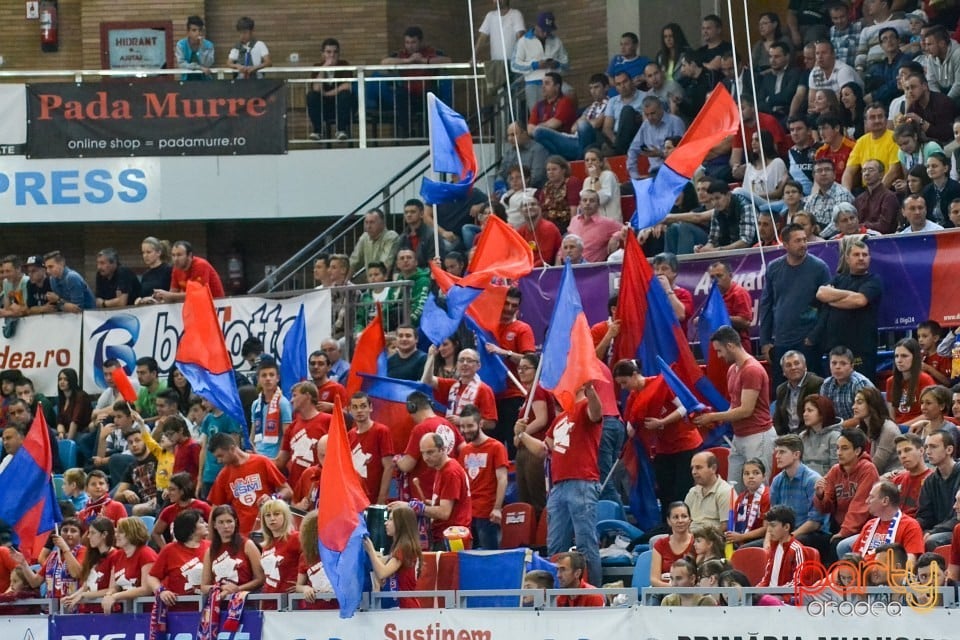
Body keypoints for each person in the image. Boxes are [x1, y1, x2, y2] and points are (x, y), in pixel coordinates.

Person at [516, 382, 603, 586]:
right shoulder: (559, 418)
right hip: (559, 486)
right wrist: (522, 434)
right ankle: (557, 594)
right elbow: (542, 450)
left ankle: (595, 593)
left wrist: (591, 392)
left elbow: (597, 413)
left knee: (585, 542)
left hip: (582, 480)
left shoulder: (584, 408)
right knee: (555, 545)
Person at [614, 359, 702, 520]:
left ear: (635, 375)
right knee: (664, 491)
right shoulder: (634, 397)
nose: (623, 387)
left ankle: (685, 525)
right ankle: (666, 527)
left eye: (624, 382)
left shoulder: (661, 384)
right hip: (663, 447)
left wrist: (662, 422)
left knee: (681, 490)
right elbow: (630, 427)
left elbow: (684, 407)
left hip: (684, 443)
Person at [695, 326, 776, 488]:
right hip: (739, 436)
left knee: (758, 489)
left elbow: (746, 410)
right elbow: (734, 405)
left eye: (720, 351)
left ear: (730, 346)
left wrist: (714, 417)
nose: (719, 356)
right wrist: (718, 419)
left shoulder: (751, 370)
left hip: (757, 436)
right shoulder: (732, 369)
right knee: (733, 488)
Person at [812, 237, 884, 382]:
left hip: (862, 348)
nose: (861, 258)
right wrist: (848, 295)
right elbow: (821, 293)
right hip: (836, 347)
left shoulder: (873, 280)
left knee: (863, 391)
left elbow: (859, 300)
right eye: (856, 255)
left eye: (864, 255)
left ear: (869, 258)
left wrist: (832, 300)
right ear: (847, 258)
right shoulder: (838, 279)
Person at [205, 432, 292, 535]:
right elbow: (215, 510)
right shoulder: (223, 475)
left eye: (220, 456)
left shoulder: (262, 462)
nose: (219, 461)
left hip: (270, 530)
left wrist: (273, 497)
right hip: (242, 535)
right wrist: (209, 541)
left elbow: (288, 491)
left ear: (232, 449)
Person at [814, 428, 881, 562]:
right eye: (837, 448)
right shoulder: (835, 470)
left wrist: (843, 533)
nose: (839, 453)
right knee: (810, 541)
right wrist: (820, 496)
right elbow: (826, 508)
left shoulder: (868, 469)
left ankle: (834, 581)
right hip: (840, 526)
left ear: (857, 451)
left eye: (844, 448)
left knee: (836, 544)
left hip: (864, 528)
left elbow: (860, 507)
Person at [381, 26, 451, 139]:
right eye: (407, 42)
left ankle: (429, 135)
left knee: (430, 94)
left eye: (413, 42)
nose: (410, 46)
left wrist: (424, 61)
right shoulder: (401, 54)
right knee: (400, 94)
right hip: (408, 95)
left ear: (420, 42)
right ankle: (406, 133)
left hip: (425, 93)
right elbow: (384, 62)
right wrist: (407, 61)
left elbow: (448, 60)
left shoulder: (429, 51)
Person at [395, 391, 464, 503]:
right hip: (448, 490)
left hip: (425, 493)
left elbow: (407, 465)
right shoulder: (448, 423)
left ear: (412, 408)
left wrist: (397, 459)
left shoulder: (420, 429)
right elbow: (465, 450)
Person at [406, 431, 471, 548]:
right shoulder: (442, 469)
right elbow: (450, 505)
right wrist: (431, 505)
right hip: (447, 535)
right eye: (423, 453)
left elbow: (444, 513)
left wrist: (420, 508)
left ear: (442, 449)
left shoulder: (450, 472)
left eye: (430, 452)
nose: (425, 458)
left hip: (451, 539)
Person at [456, 405, 507, 550]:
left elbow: (502, 479)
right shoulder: (465, 450)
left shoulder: (496, 447)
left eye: (470, 425)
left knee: (489, 556)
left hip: (487, 513)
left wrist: (497, 508)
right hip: (467, 514)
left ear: (480, 424)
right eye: (463, 426)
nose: (466, 430)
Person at [768, 434, 830, 553]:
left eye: (782, 452)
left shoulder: (812, 480)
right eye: (777, 452)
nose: (777, 456)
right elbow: (772, 519)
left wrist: (789, 538)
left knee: (789, 547)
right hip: (785, 532)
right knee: (747, 550)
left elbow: (815, 523)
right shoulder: (777, 480)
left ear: (796, 454)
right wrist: (767, 541)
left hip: (812, 534)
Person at [512, 353, 554, 514]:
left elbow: (541, 419)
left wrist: (520, 434)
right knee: (525, 497)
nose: (521, 371)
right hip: (525, 450)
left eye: (526, 368)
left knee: (536, 497)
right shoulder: (529, 394)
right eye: (519, 368)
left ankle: (542, 533)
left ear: (537, 370)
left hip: (535, 450)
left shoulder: (538, 390)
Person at [363, 503, 422, 608]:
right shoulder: (400, 548)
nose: (386, 523)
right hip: (398, 608)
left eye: (390, 520)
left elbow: (382, 573)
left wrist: (371, 550)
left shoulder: (404, 548)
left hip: (404, 609)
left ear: (401, 524)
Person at [422, 347, 497, 430]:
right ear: (457, 365)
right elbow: (427, 380)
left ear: (478, 365)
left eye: (469, 360)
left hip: (471, 439)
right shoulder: (452, 385)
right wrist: (431, 356)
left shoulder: (484, 389)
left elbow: (490, 423)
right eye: (461, 360)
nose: (465, 363)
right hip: (450, 436)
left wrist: (463, 421)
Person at [147, 510, 210, 608]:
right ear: (191, 528)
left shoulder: (210, 547)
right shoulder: (169, 549)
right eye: (202, 522)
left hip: (207, 607)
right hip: (178, 608)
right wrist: (161, 591)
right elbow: (152, 577)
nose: (206, 524)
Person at [277, 382, 331, 491]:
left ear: (307, 395)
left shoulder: (329, 421)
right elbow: (280, 461)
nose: (291, 401)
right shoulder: (292, 426)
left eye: (295, 395)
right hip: (296, 489)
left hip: (321, 488)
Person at [512, 12, 569, 114]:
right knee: (537, 114)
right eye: (543, 30)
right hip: (533, 82)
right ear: (536, 26)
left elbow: (566, 63)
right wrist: (534, 65)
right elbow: (514, 65)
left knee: (569, 93)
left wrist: (557, 64)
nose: (546, 34)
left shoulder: (556, 41)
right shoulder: (523, 41)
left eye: (549, 30)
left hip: (554, 81)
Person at [201, 504, 264, 595]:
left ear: (235, 522)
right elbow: (204, 587)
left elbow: (260, 579)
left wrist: (237, 589)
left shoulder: (248, 545)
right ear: (214, 524)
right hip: (219, 603)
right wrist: (221, 588)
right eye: (221, 522)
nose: (226, 526)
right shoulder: (210, 551)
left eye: (229, 521)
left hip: (245, 602)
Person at [100, 517, 157, 612]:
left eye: (121, 532)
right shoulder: (117, 555)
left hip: (145, 611)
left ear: (133, 533)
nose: (116, 535)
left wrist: (116, 596)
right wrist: (109, 595)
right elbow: (114, 587)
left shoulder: (146, 554)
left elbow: (146, 589)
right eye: (116, 532)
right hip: (125, 610)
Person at [61, 517, 118, 613]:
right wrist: (71, 597)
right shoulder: (93, 557)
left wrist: (84, 595)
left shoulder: (115, 556)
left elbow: (112, 589)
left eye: (92, 533)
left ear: (104, 534)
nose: (88, 536)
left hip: (106, 612)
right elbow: (85, 586)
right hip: (88, 611)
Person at [349, 392, 395, 505]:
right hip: (353, 498)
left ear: (370, 408)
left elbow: (389, 466)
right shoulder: (349, 435)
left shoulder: (381, 431)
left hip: (373, 499)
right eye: (355, 407)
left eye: (363, 406)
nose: (359, 410)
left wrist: (381, 498)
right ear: (350, 410)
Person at [916, 430, 960, 550]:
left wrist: (933, 531)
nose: (928, 452)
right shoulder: (929, 481)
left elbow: (958, 518)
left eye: (933, 447)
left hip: (956, 529)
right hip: (937, 530)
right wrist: (909, 526)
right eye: (926, 447)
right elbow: (925, 516)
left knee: (932, 541)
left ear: (949, 450)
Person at [842, 103, 900, 191]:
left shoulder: (894, 138)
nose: (877, 120)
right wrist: (846, 194)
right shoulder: (861, 141)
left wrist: (876, 194)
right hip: (866, 189)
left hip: (888, 189)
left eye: (880, 116)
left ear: (886, 119)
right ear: (866, 122)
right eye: (872, 117)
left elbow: (894, 172)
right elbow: (848, 172)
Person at [306, 38, 355, 141]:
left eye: (335, 52)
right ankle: (318, 131)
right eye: (328, 52)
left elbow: (347, 86)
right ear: (323, 54)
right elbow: (316, 88)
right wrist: (324, 68)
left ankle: (341, 130)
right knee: (311, 96)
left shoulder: (344, 65)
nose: (332, 55)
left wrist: (327, 94)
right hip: (324, 107)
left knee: (345, 94)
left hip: (342, 106)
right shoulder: (317, 67)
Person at [627, 95, 686, 177]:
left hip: (673, 171)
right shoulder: (646, 125)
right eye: (647, 115)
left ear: (661, 109)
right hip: (654, 172)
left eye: (653, 113)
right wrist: (635, 175)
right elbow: (633, 149)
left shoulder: (675, 122)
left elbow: (681, 153)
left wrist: (661, 154)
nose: (650, 117)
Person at [694, 180, 757, 253]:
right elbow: (713, 240)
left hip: (752, 252)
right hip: (729, 253)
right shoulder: (716, 211)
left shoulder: (745, 206)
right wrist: (705, 249)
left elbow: (746, 241)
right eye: (711, 200)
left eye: (717, 198)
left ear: (728, 195)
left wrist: (719, 250)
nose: (714, 203)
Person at [151, 472, 211, 547]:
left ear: (183, 491)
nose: (168, 493)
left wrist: (208, 546)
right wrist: (165, 549)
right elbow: (155, 533)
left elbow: (214, 526)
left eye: (172, 489)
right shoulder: (168, 511)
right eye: (168, 489)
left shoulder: (203, 506)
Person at [152, 240, 224, 302]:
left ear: (189, 255)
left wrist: (170, 295)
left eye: (179, 255)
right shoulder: (176, 268)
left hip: (216, 305)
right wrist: (160, 297)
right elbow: (173, 292)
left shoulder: (200, 265)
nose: (175, 259)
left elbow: (198, 294)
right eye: (173, 255)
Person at [853, 387, 903, 476]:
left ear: (872, 404)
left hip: (891, 476)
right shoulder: (859, 429)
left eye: (859, 403)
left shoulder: (889, 429)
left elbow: (876, 466)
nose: (854, 407)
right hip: (868, 476)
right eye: (854, 403)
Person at [887, 338, 937, 426]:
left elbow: (930, 413)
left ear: (915, 358)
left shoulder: (925, 380)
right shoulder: (890, 381)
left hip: (919, 427)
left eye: (904, 356)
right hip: (897, 430)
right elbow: (891, 416)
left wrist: (902, 427)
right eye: (896, 356)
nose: (899, 360)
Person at [249, 360, 291, 461]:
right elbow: (253, 434)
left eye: (271, 375)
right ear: (258, 379)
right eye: (264, 375)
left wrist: (279, 459)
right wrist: (252, 452)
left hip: (274, 458)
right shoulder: (256, 404)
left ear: (277, 378)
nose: (268, 378)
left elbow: (287, 435)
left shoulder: (283, 403)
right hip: (257, 456)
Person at [707, 261, 754, 353]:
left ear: (730, 275)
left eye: (719, 276)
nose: (715, 280)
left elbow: (745, 322)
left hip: (738, 347)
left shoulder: (739, 293)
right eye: (712, 277)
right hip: (720, 347)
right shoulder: (713, 295)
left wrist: (720, 317)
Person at [774, 351, 825, 435]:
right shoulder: (781, 389)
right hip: (788, 436)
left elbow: (817, 418)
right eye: (788, 365)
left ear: (805, 367)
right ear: (783, 372)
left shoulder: (817, 383)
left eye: (797, 363)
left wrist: (796, 437)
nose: (793, 367)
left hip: (809, 434)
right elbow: (778, 419)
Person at [258, 499, 300, 599]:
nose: (272, 518)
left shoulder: (296, 538)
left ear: (285, 516)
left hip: (290, 601)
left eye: (276, 514)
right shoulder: (266, 545)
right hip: (269, 599)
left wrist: (302, 585)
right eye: (268, 515)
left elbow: (311, 563)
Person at [295, 511, 337, 610]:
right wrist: (305, 588)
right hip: (314, 610)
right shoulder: (305, 556)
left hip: (339, 609)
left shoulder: (340, 552)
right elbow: (298, 586)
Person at [757, 505, 806, 588]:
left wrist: (775, 592)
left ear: (786, 527)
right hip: (770, 595)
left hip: (785, 597)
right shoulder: (773, 548)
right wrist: (754, 592)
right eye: (768, 525)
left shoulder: (796, 549)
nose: (769, 530)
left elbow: (798, 581)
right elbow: (766, 579)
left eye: (773, 525)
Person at [727, 458, 771, 548]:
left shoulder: (767, 495)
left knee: (742, 549)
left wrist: (741, 537)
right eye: (746, 473)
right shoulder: (741, 498)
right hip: (741, 537)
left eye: (756, 473)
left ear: (764, 477)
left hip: (760, 540)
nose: (751, 476)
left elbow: (767, 528)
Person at [684, 451, 734, 530]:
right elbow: (683, 519)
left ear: (713, 468)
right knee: (658, 538)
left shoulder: (725, 491)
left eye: (698, 467)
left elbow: (726, 527)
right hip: (690, 537)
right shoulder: (692, 491)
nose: (694, 472)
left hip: (711, 539)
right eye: (692, 468)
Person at [650, 502, 695, 588]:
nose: (680, 520)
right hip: (665, 592)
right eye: (675, 517)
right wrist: (674, 589)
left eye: (684, 516)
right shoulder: (660, 544)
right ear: (668, 521)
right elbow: (654, 580)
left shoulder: (697, 542)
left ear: (690, 519)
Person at [853, 159, 899, 235]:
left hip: (883, 240)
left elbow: (884, 226)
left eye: (871, 170)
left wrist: (862, 226)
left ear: (881, 174)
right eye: (864, 170)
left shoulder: (889, 197)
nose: (866, 173)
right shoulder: (859, 199)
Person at [800, 394, 840, 477]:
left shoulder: (835, 437)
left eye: (810, 410)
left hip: (826, 484)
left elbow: (835, 469)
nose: (805, 414)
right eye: (804, 410)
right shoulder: (802, 436)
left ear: (822, 413)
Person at [175, 15, 214, 80]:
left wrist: (202, 47)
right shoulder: (181, 45)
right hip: (186, 81)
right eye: (194, 30)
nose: (198, 33)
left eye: (200, 30)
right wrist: (198, 67)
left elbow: (207, 64)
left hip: (206, 81)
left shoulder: (209, 45)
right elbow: (181, 64)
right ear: (188, 32)